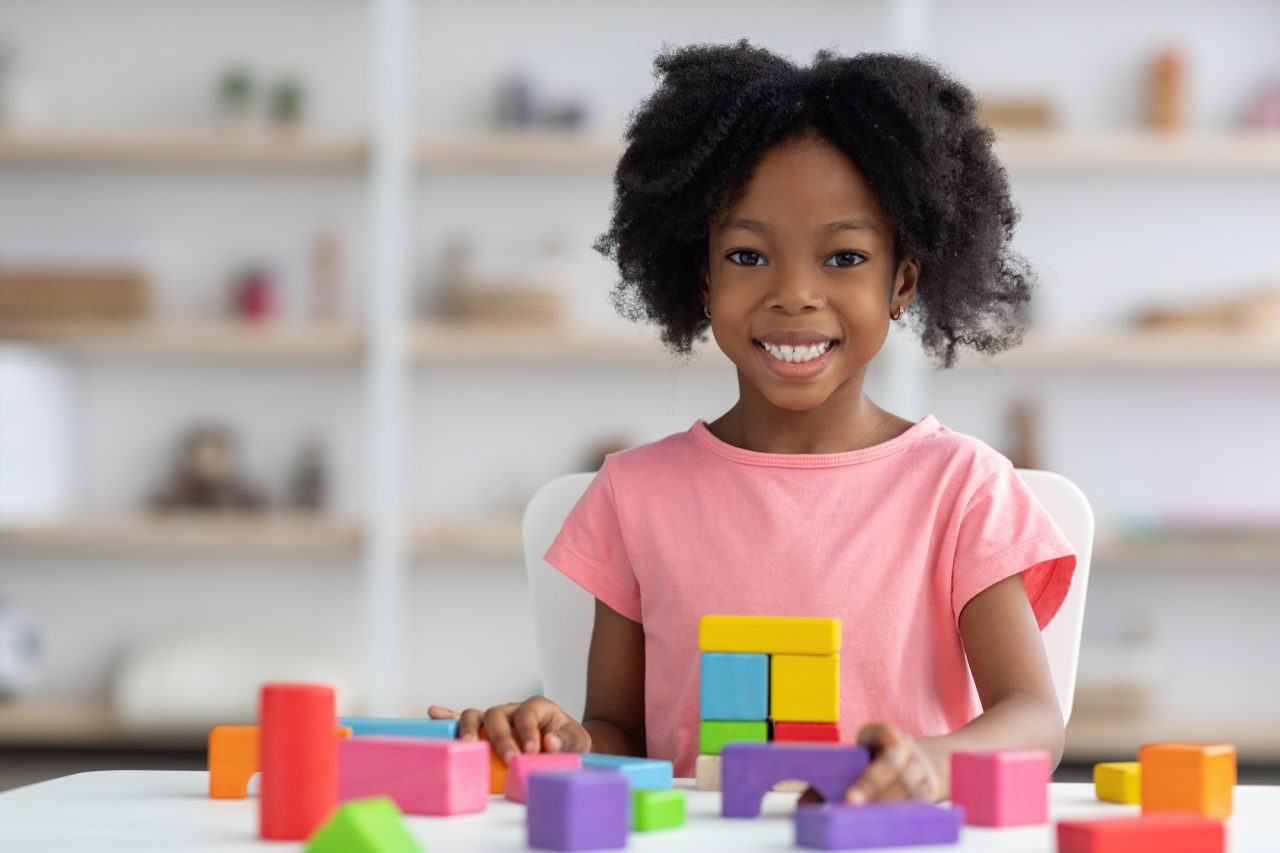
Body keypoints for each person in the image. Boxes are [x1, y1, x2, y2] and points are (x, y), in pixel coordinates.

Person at [431, 40, 1077, 805]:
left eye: (843, 257)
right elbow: (618, 733)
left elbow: (1034, 718)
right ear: (701, 276)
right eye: (747, 255)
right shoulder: (634, 494)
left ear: (902, 280)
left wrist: (931, 762)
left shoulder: (962, 489)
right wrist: (557, 738)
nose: (794, 293)